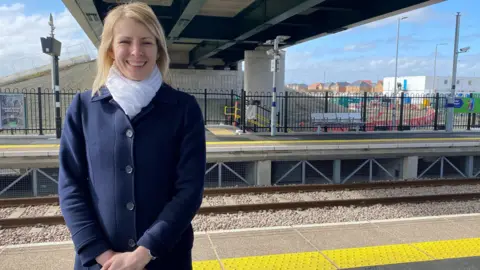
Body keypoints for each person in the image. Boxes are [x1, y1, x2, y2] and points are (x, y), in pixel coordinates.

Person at [58, 2, 206, 270]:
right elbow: (70, 188)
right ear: (111, 49)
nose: (137, 52)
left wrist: (142, 255)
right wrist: (103, 256)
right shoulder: (82, 108)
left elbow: (189, 191)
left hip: (165, 260)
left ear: (158, 49)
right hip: (99, 264)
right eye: (125, 41)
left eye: (147, 42)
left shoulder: (184, 109)